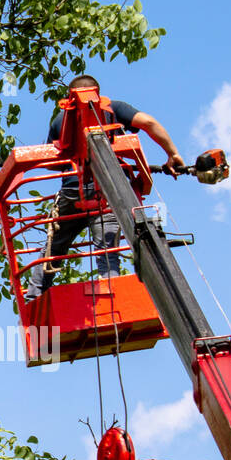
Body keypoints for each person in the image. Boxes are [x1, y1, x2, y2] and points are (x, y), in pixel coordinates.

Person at [24, 75, 186, 303]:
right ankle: (113, 300)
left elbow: (50, 159)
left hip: (72, 194)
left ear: (69, 97)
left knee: (53, 250)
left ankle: (33, 299)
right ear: (98, 93)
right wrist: (172, 153)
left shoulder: (61, 120)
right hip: (107, 193)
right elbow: (148, 123)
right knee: (107, 251)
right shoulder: (114, 108)